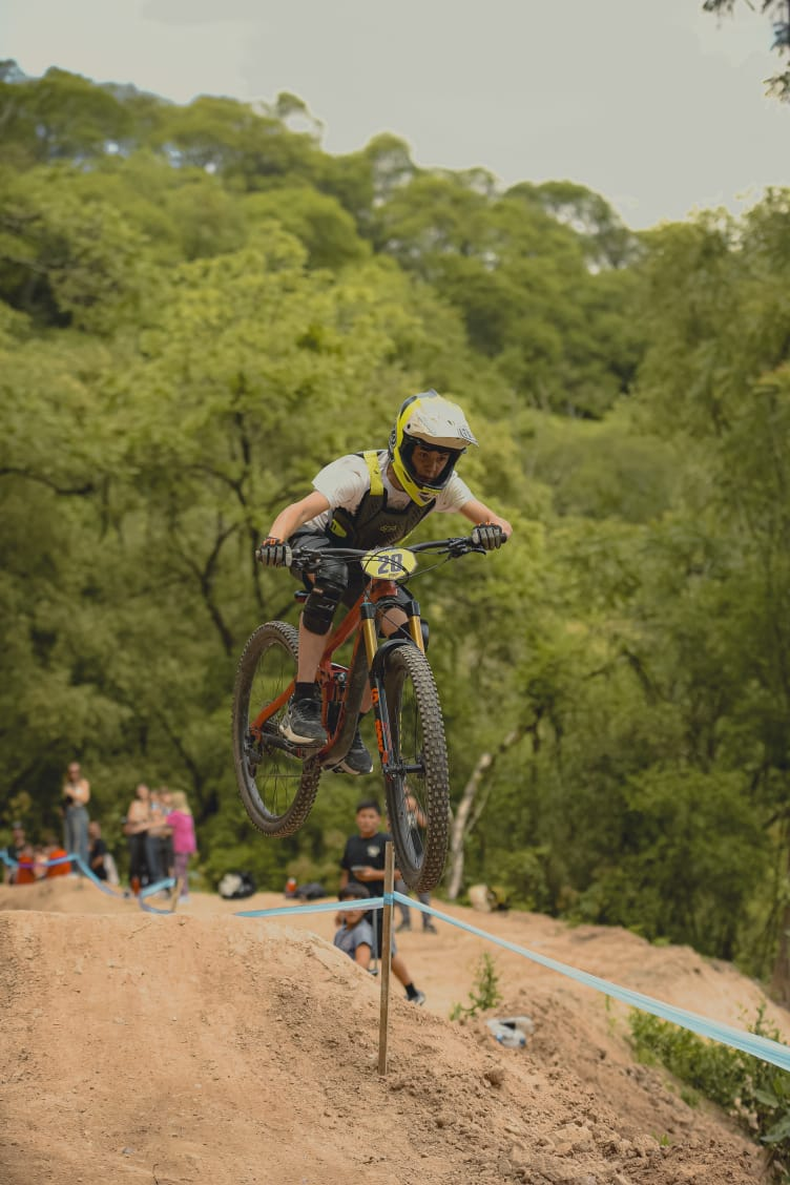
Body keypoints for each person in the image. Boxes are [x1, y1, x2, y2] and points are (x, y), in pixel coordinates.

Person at [257, 390, 512, 774]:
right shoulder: (359, 475)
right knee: (331, 577)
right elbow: (299, 510)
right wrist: (275, 541)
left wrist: (491, 533)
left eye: (442, 458)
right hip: (316, 542)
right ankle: (303, 701)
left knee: (406, 628)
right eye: (424, 455)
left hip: (368, 559)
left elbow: (498, 521)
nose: (432, 466)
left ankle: (349, 724)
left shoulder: (445, 486)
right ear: (403, 446)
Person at [339, 799, 425, 1005]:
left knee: (386, 951)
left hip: (380, 906)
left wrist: (374, 875)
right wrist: (340, 905)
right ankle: (358, 992)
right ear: (356, 818)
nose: (366, 820)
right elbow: (345, 873)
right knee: (353, 946)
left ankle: (413, 992)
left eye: (371, 816)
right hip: (354, 908)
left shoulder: (387, 841)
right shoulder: (351, 842)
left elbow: (402, 873)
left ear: (378, 819)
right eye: (363, 816)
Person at [390, 791, 438, 934]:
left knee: (422, 889)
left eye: (407, 794)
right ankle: (406, 922)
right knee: (401, 889)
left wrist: (415, 808)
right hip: (402, 856)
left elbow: (425, 823)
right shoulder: (393, 807)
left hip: (418, 854)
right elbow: (389, 827)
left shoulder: (415, 808)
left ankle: (427, 922)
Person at [333, 882, 375, 969]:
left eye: (356, 905)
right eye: (348, 905)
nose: (352, 910)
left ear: (365, 908)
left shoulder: (361, 931)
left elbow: (362, 965)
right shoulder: (340, 932)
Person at [165, 790, 197, 901]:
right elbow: (192, 831)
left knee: (179, 870)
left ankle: (183, 894)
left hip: (180, 845)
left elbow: (166, 822)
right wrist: (194, 848)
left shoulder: (176, 814)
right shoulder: (188, 814)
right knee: (183, 870)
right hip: (188, 844)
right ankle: (183, 893)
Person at [61, 760, 90, 870]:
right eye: (71, 772)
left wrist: (71, 793)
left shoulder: (84, 783)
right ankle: (71, 869)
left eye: (75, 771)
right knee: (69, 843)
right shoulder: (67, 785)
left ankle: (81, 870)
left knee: (80, 842)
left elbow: (85, 799)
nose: (73, 774)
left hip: (79, 812)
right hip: (69, 813)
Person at [124, 782, 152, 894]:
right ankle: (133, 886)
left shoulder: (152, 804)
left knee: (146, 861)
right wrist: (143, 819)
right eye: (139, 791)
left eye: (143, 791)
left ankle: (145, 885)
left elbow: (152, 818)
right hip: (135, 835)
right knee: (134, 861)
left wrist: (140, 819)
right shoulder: (134, 803)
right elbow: (131, 818)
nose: (141, 793)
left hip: (147, 835)